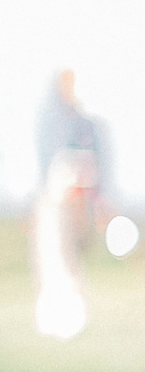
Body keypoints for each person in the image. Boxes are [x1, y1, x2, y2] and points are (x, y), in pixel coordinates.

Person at [32, 69, 110, 341]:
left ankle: (73, 317)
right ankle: (51, 316)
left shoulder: (88, 126)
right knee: (50, 257)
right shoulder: (50, 122)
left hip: (79, 202)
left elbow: (96, 167)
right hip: (54, 201)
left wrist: (98, 202)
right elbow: (46, 166)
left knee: (73, 261)